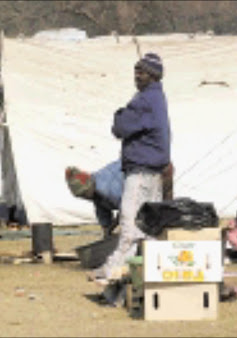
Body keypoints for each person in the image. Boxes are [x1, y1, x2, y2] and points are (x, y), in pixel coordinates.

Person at [88, 53, 171, 284]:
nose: (137, 76)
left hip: (142, 172)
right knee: (147, 226)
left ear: (153, 75)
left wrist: (119, 114)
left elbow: (120, 127)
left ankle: (114, 271)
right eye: (136, 70)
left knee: (130, 221)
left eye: (141, 71)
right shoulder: (157, 98)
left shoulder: (144, 101)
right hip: (153, 172)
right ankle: (145, 271)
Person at [66, 160, 174, 237]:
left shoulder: (108, 188)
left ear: (88, 187)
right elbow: (102, 210)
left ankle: (167, 240)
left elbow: (130, 208)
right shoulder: (96, 189)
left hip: (158, 170)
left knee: (161, 211)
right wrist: (107, 229)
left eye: (84, 194)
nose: (85, 198)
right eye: (81, 196)